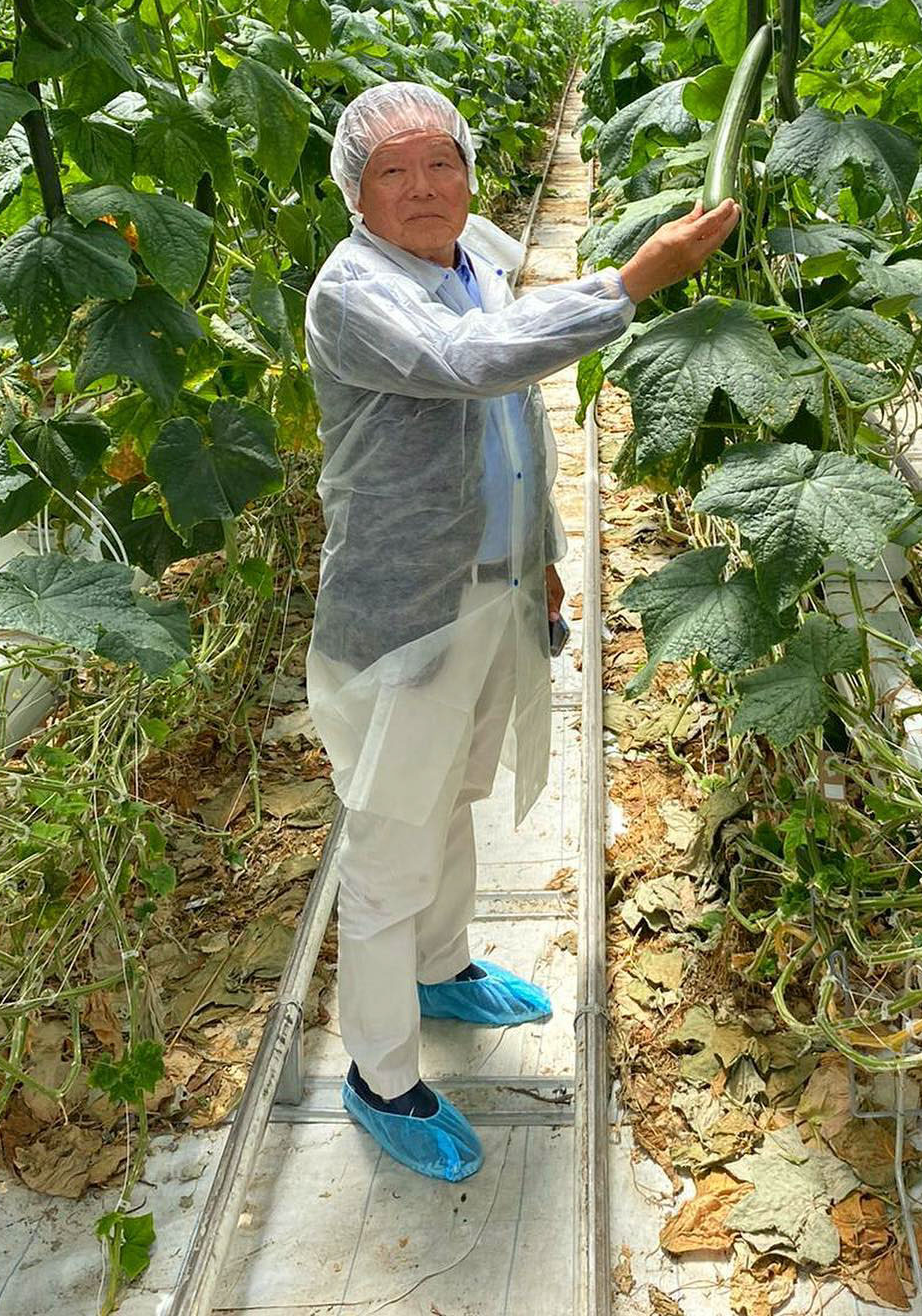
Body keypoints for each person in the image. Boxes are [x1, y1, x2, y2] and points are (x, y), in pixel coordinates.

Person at [304, 81, 738, 1184]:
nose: (421, 188)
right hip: (408, 610)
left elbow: (515, 427)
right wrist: (634, 282)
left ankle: (443, 970)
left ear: (470, 167)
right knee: (388, 846)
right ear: (356, 190)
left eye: (439, 163)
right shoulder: (353, 294)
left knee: (451, 798)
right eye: (393, 172)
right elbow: (473, 367)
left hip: (493, 590)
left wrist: (541, 555)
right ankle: (380, 1072)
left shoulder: (473, 259)